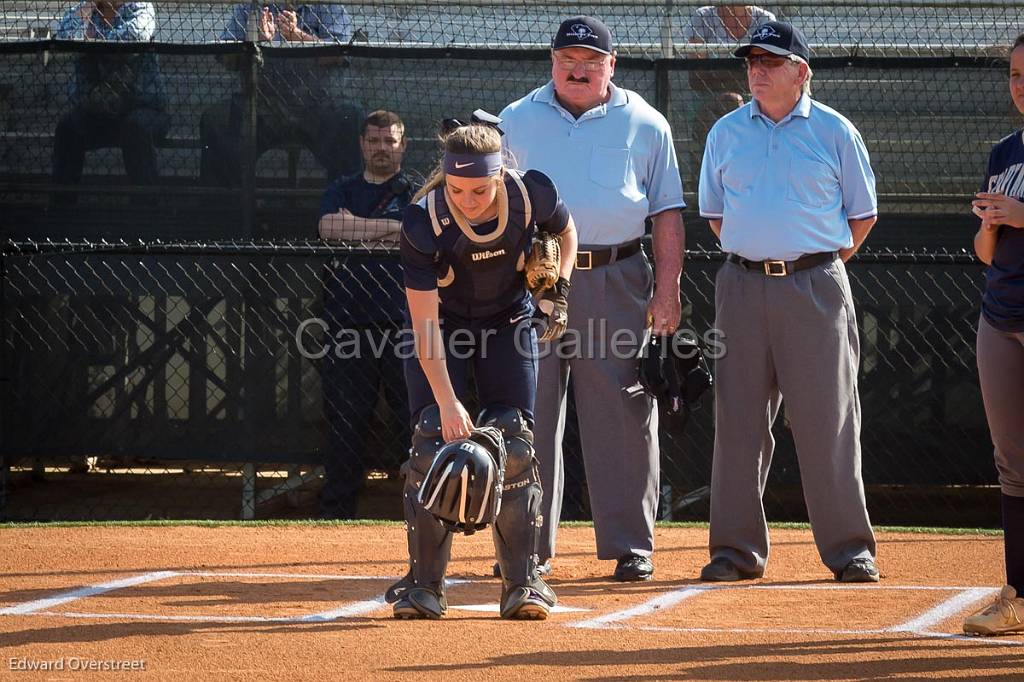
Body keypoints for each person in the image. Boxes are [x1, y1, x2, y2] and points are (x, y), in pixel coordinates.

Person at [500, 16, 686, 582]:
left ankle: (632, 544)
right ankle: (528, 546)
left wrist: (667, 292)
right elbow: (497, 207)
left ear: (612, 65)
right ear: (551, 62)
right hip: (537, 279)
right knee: (530, 412)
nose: (577, 70)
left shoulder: (647, 123)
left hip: (617, 275)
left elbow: (667, 214)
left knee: (626, 411)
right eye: (566, 59)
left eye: (590, 60)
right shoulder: (515, 118)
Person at [697, 21, 879, 583]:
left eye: (770, 62)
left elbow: (862, 215)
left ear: (801, 73)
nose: (756, 70)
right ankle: (734, 552)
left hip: (815, 286)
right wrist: (763, 256)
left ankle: (850, 550)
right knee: (738, 422)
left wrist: (814, 266)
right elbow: (714, 213)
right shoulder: (725, 132)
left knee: (829, 420)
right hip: (741, 285)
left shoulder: (835, 131)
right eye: (751, 61)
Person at [385, 117, 579, 620]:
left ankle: (523, 583)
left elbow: (566, 229)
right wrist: (449, 405)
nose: (466, 200)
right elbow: (425, 330)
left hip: (507, 319)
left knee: (514, 442)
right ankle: (425, 585)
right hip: (443, 326)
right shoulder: (422, 223)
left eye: (478, 189)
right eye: (455, 188)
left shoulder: (530, 193)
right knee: (431, 437)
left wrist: (558, 290)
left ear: (500, 174)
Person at [316, 110, 415, 519]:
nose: (381, 149)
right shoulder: (342, 188)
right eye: (374, 141)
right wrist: (389, 229)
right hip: (348, 323)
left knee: (414, 419)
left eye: (389, 141)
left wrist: (362, 228)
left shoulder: (416, 190)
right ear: (362, 144)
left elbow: (417, 231)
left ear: (402, 145)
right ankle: (336, 514)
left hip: (405, 324)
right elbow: (328, 228)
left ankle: (425, 509)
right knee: (345, 421)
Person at [962, 33, 1024, 637]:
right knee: (1013, 465)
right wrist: (990, 226)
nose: (1020, 86)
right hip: (1000, 315)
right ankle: (1018, 595)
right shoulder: (1005, 151)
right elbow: (987, 253)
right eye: (1013, 75)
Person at [200, 3, 363, 187]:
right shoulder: (250, 7)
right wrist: (255, 43)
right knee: (216, 120)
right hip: (260, 105)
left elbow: (339, 55)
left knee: (350, 117)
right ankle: (227, 208)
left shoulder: (327, 6)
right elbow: (227, 58)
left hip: (317, 104)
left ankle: (346, 206)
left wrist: (297, 36)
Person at [51, 1, 168, 204]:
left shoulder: (140, 7)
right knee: (67, 128)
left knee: (136, 128)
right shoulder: (85, 10)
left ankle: (147, 212)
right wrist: (87, 13)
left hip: (144, 108)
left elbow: (134, 36)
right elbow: (63, 38)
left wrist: (90, 43)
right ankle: (62, 208)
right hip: (97, 111)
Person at [684, 5, 775, 158]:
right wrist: (741, 74)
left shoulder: (765, 20)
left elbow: (769, 72)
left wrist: (719, 73)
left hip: (756, 95)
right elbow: (697, 75)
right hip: (709, 94)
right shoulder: (703, 17)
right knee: (720, 109)